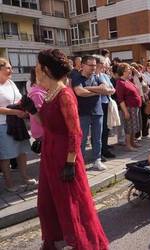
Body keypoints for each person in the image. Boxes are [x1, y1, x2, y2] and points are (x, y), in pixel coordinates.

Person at [23, 49, 108, 249]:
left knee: (70, 204)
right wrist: (33, 110)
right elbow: (47, 124)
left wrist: (70, 163)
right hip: (49, 153)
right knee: (47, 202)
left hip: (65, 157)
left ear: (46, 69)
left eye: (38, 65)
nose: (36, 68)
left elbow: (75, 133)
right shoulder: (49, 93)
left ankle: (81, 242)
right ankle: (55, 238)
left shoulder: (65, 95)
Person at [71, 55, 114, 171]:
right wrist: (98, 91)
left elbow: (107, 90)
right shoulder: (76, 77)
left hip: (97, 112)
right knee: (82, 139)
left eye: (95, 65)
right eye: (91, 65)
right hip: (83, 113)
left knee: (97, 138)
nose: (93, 68)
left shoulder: (97, 77)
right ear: (83, 65)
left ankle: (97, 160)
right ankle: (80, 163)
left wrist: (89, 89)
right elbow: (79, 92)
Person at [0, 58, 37, 192]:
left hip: (18, 122)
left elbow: (19, 99)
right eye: (8, 68)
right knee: (6, 155)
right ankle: (9, 184)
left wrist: (25, 107)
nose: (11, 70)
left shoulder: (10, 83)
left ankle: (25, 177)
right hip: (3, 124)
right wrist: (16, 111)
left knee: (22, 152)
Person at [116, 63, 142, 151]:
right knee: (129, 127)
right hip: (129, 108)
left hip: (135, 107)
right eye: (128, 70)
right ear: (123, 72)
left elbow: (139, 78)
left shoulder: (127, 80)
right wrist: (125, 112)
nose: (130, 71)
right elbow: (120, 99)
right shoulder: (120, 82)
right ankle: (128, 145)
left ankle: (133, 142)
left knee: (134, 126)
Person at [94, 55, 116, 160]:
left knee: (106, 128)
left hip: (106, 102)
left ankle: (105, 149)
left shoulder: (104, 75)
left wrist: (106, 90)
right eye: (103, 63)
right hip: (97, 105)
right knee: (99, 130)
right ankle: (98, 153)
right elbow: (100, 90)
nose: (105, 66)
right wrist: (106, 90)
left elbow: (112, 89)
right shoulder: (93, 76)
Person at [27, 67, 46, 151]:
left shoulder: (41, 90)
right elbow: (39, 116)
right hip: (42, 131)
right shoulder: (37, 93)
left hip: (43, 130)